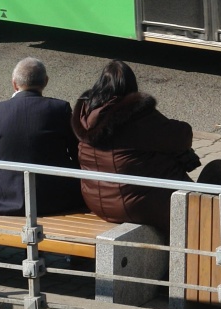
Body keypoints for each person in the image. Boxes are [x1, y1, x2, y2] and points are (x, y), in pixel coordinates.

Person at [71, 60, 196, 234]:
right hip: (135, 205)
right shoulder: (137, 116)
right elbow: (181, 137)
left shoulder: (85, 113)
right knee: (195, 203)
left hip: (95, 201)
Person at [0, 58, 84, 217]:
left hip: (4, 200)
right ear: (46, 82)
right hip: (56, 200)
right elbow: (77, 153)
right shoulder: (59, 109)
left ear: (14, 84)